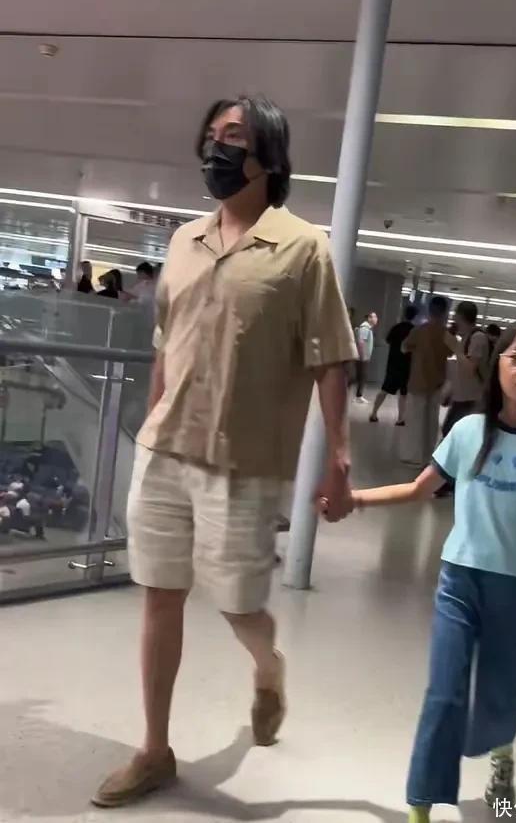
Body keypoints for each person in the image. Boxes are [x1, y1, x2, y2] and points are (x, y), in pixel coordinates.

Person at [92, 94, 357, 808]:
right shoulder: (184, 241)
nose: (216, 148)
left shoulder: (303, 248)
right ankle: (154, 750)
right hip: (165, 449)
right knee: (160, 595)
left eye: (233, 136)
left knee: (238, 605)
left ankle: (268, 666)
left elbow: (330, 357)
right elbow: (165, 346)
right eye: (211, 135)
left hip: (243, 460)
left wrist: (338, 457)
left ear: (269, 154)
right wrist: (151, 422)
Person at [349, 318, 516, 823]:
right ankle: (421, 806)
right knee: (444, 693)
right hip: (460, 580)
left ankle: (501, 756)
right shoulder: (467, 431)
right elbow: (419, 488)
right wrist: (356, 499)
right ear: (497, 364)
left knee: (503, 690)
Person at [400, 296, 451, 466]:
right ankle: (428, 455)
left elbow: (404, 347)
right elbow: (452, 354)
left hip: (418, 381)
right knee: (431, 421)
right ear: (445, 312)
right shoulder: (446, 334)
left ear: (429, 310)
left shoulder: (419, 331)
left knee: (415, 419)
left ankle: (413, 455)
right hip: (437, 382)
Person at [442, 301, 490, 436]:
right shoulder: (466, 338)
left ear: (461, 317)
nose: (453, 319)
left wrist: (455, 347)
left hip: (472, 400)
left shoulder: (478, 338)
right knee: (449, 432)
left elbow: (470, 369)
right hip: (462, 398)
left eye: (455, 316)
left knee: (454, 434)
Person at [369, 304, 418, 425]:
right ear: (415, 316)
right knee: (403, 393)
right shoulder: (415, 330)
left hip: (393, 364)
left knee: (384, 390)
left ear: (404, 314)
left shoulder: (396, 327)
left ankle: (374, 413)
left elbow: (388, 340)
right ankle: (400, 419)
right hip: (407, 366)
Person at [354, 312, 378, 402]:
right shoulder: (365, 328)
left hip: (364, 356)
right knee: (362, 376)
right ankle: (358, 396)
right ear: (369, 318)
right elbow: (361, 342)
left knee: (362, 376)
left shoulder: (368, 328)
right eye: (374, 317)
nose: (376, 319)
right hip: (362, 357)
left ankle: (358, 395)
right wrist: (362, 356)